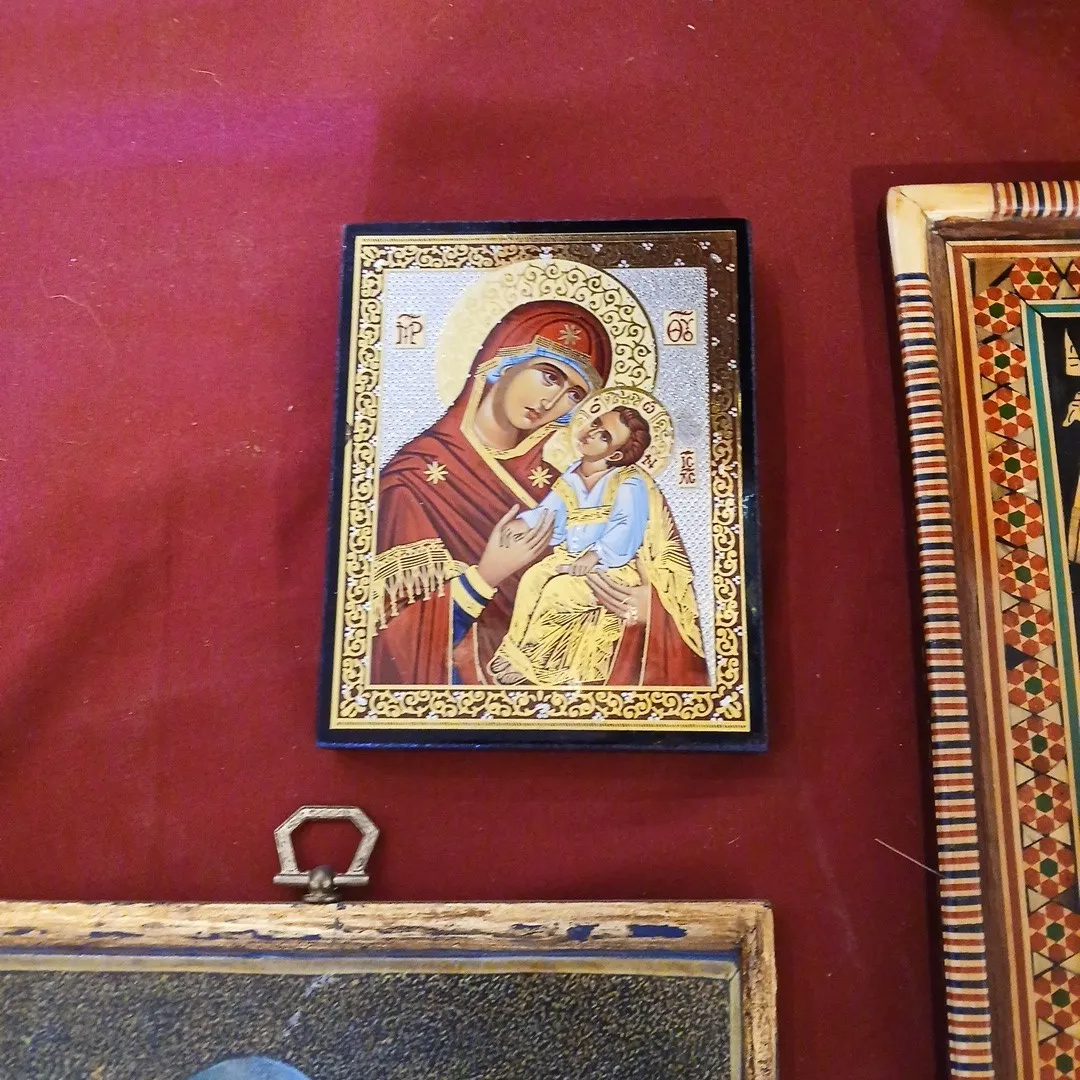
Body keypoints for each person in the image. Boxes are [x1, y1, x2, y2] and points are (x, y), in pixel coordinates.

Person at [370, 295, 709, 687]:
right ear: (503, 359)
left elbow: (649, 555)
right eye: (549, 376)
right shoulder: (411, 479)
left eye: (575, 395)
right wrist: (486, 576)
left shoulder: (574, 477)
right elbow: (387, 644)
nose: (552, 401)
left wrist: (654, 613)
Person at [488, 402, 656, 686]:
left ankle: (531, 663)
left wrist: (594, 556)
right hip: (568, 558)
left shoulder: (628, 482)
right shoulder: (571, 476)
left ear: (615, 454)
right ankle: (514, 650)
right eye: (595, 423)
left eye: (604, 436)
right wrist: (523, 524)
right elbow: (549, 512)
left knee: (558, 592)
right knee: (532, 579)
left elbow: (626, 528)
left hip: (609, 567)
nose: (591, 433)